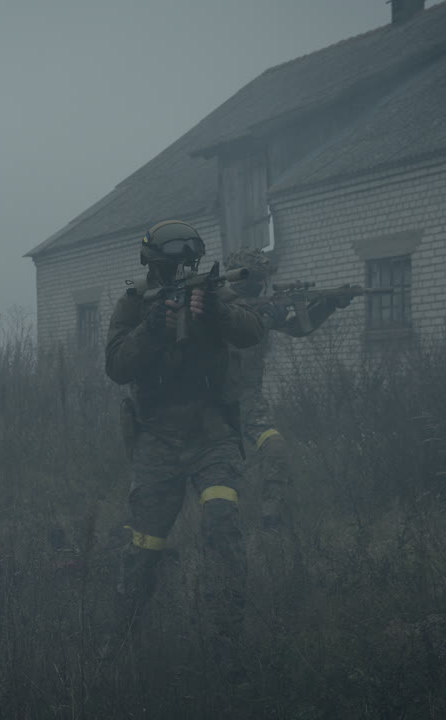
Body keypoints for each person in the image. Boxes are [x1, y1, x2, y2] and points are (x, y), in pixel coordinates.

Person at [102, 220, 264, 672]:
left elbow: (252, 330)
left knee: (222, 524)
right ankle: (123, 640)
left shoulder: (212, 292)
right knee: (144, 544)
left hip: (212, 433)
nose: (179, 272)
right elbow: (116, 366)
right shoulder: (134, 303)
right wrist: (151, 329)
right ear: (152, 264)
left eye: (187, 264)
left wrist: (216, 311)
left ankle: (227, 641)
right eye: (170, 265)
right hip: (158, 436)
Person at [225, 248, 354, 529]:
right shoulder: (221, 308)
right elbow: (241, 332)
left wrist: (328, 304)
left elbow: (297, 328)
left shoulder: (261, 306)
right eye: (256, 278)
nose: (261, 283)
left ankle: (271, 519)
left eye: (263, 278)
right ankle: (222, 529)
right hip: (216, 406)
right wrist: (269, 316)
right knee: (220, 474)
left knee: (276, 449)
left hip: (250, 402)